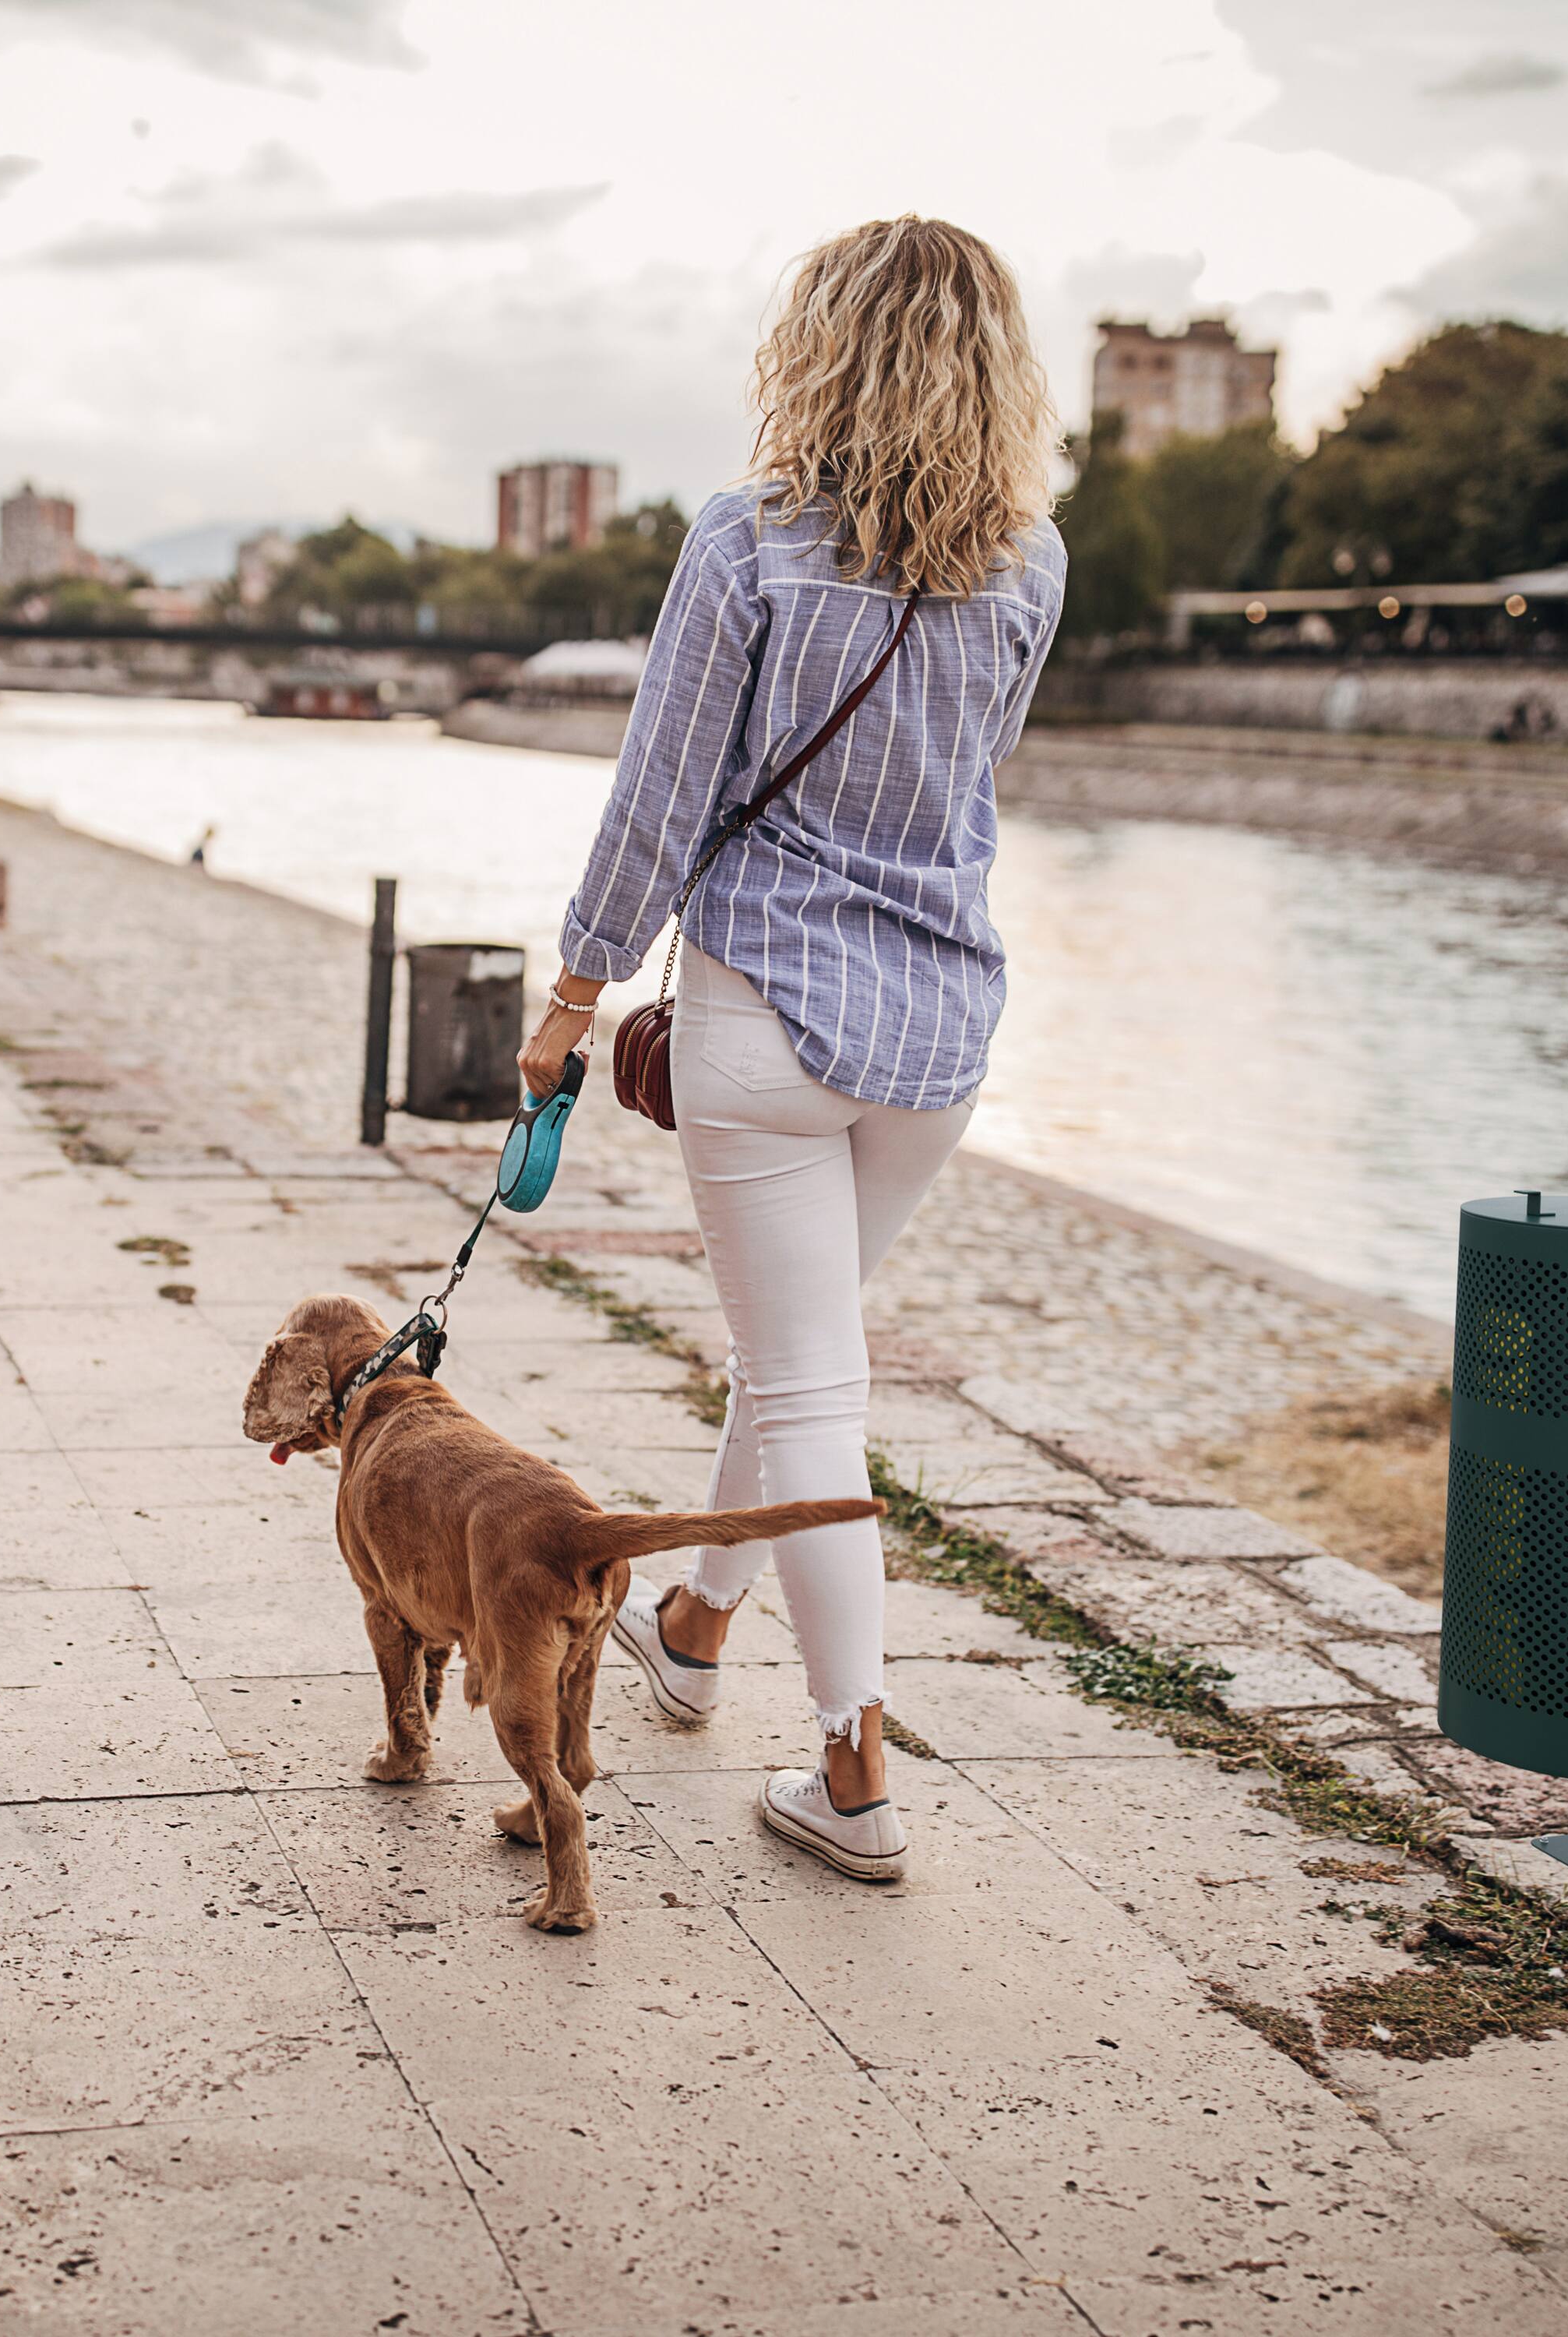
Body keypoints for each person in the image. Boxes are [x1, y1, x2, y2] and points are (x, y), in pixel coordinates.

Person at [516, 217, 1063, 1882]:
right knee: (802, 1355)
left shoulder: (747, 541)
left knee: (815, 1381)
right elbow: (970, 796)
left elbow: (662, 795)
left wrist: (574, 995)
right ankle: (690, 1629)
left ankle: (855, 1771)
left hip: (764, 1009)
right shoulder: (1032, 563)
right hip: (938, 1030)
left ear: (817, 348)